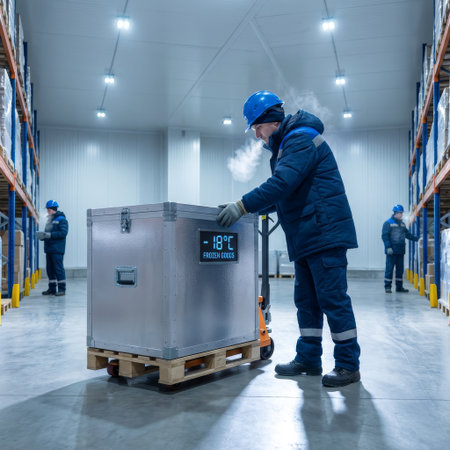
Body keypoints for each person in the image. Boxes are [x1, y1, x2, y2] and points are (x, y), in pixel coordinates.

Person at [216, 90, 360, 387]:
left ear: (270, 120)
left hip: (324, 232)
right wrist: (246, 211)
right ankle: (309, 358)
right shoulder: (286, 145)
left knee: (332, 299)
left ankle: (348, 364)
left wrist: (243, 205)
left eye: (257, 127)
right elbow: (284, 194)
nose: (257, 135)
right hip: (308, 236)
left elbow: (281, 184)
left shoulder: (299, 139)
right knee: (306, 301)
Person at [382, 204, 418, 293]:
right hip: (391, 251)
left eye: (401, 213)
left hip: (400, 251)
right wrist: (388, 247)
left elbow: (408, 235)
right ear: (395, 213)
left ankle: (399, 287)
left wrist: (417, 239)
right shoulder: (388, 223)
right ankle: (387, 287)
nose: (401, 215)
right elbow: (385, 236)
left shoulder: (402, 224)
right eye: (399, 213)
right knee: (389, 269)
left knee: (400, 270)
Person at [37, 200, 69, 296]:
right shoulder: (49, 220)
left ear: (52, 209)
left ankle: (62, 290)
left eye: (48, 209)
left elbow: (63, 233)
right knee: (50, 270)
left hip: (57, 250)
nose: (47, 211)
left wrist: (49, 235)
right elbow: (48, 234)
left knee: (58, 269)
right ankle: (52, 289)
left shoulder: (62, 219)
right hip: (49, 249)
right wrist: (43, 236)